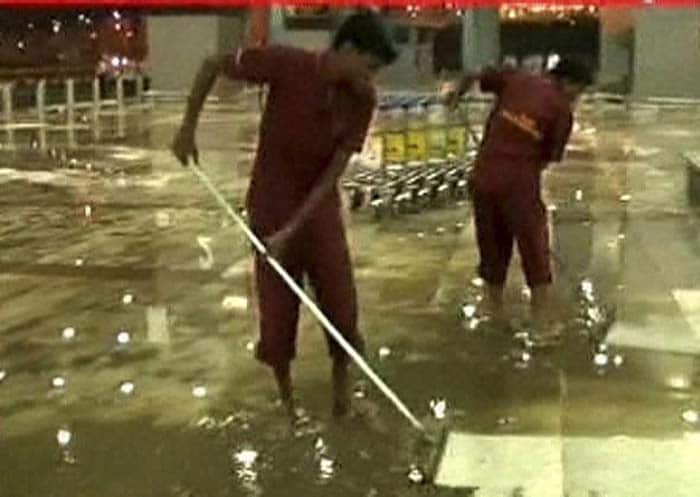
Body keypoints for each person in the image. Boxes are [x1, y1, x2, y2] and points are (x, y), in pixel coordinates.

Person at [171, 11, 397, 419]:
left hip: (318, 213)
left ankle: (342, 400)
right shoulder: (288, 65)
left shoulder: (362, 99)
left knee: (342, 312)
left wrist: (294, 230)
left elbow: (332, 175)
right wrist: (188, 127)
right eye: (370, 67)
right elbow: (211, 64)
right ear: (347, 50)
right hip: (270, 208)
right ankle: (288, 403)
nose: (372, 79)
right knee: (276, 321)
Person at [447, 59, 594, 344]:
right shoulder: (562, 109)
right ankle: (542, 324)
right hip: (519, 183)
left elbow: (475, 72)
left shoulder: (516, 78)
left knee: (492, 244)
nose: (579, 96)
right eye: (580, 90)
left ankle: (494, 313)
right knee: (534, 248)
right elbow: (550, 156)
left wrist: (456, 94)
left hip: (484, 175)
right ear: (569, 82)